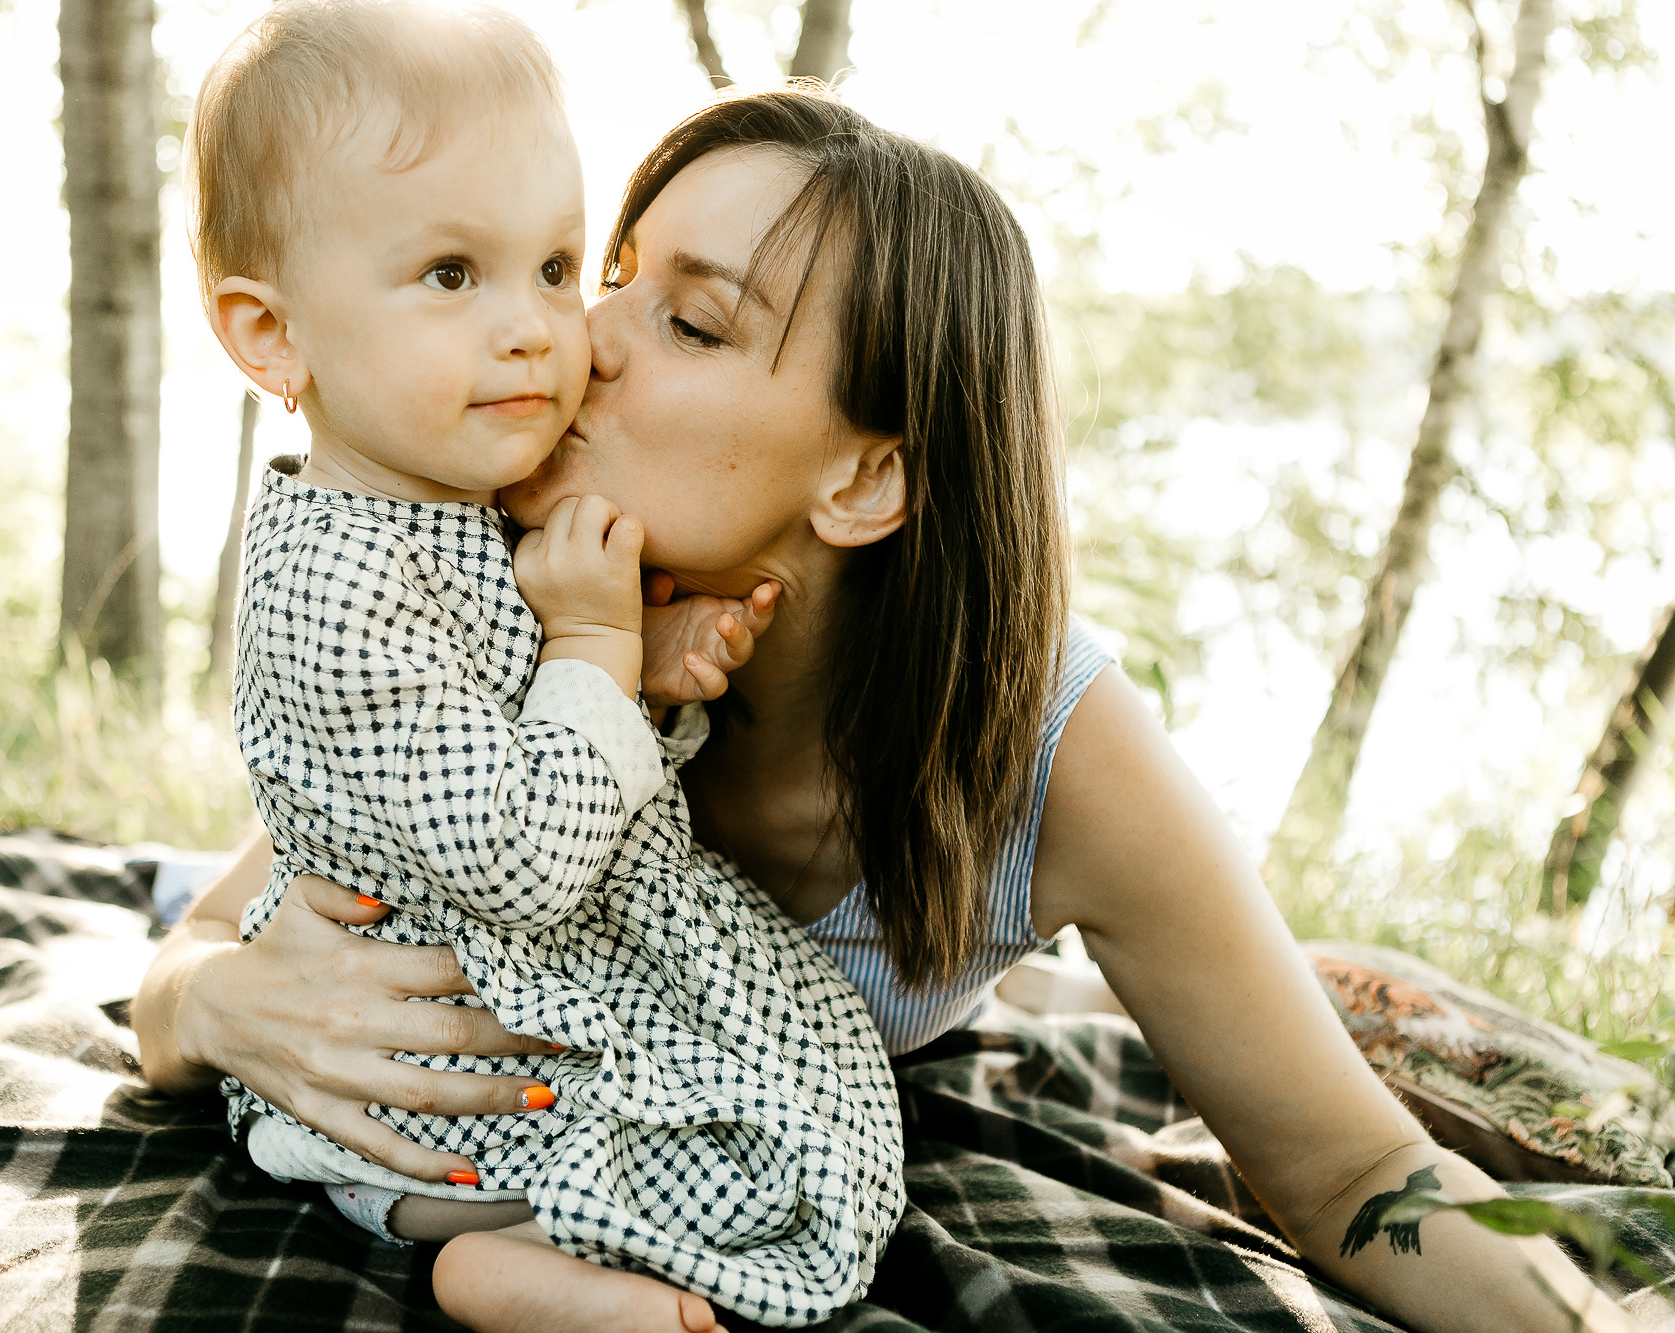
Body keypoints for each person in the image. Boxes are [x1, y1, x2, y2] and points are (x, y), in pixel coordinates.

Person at [142, 82, 1643, 1333]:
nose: (582, 338)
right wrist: (212, 1006)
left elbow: (1353, 1170)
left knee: (1314, 998)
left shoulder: (1050, 748)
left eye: (693, 323)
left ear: (866, 479)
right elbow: (199, 951)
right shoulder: (492, 590)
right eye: (609, 275)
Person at [182, 5, 902, 1332]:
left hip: (525, 990)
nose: (539, 330)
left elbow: (528, 716)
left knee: (792, 1109)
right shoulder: (334, 576)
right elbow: (517, 850)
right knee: (673, 1148)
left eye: (558, 266)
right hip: (436, 1075)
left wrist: (642, 670)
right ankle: (510, 1266)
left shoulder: (450, 504)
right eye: (452, 273)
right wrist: (595, 646)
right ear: (272, 334)